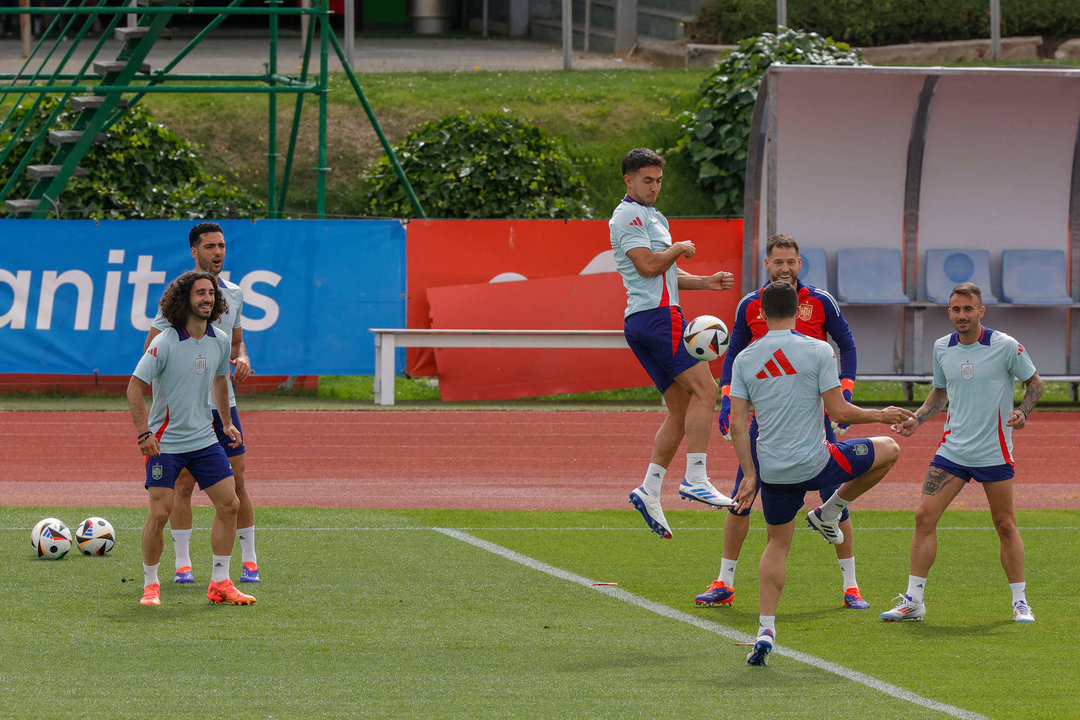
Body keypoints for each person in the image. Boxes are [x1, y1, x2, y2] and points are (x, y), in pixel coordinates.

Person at [728, 281, 913, 665]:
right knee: (890, 450)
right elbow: (841, 413)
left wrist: (749, 475)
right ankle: (830, 510)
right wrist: (882, 414)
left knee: (776, 545)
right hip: (818, 463)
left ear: (760, 314)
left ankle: (765, 628)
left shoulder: (745, 359)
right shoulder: (818, 350)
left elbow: (737, 423)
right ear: (798, 311)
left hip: (773, 472)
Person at [696, 234, 868, 609]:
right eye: (778, 262)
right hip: (766, 423)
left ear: (800, 263)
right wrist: (728, 400)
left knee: (834, 497)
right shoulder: (749, 305)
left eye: (791, 262)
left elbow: (848, 345)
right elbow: (734, 353)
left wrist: (846, 390)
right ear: (767, 264)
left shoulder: (821, 301)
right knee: (742, 494)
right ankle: (723, 581)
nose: (785, 268)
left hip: (814, 419)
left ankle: (851, 586)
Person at [880, 282, 1043, 623]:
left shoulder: (1005, 346)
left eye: (968, 309)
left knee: (1004, 525)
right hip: (952, 451)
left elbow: (1035, 383)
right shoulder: (942, 348)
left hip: (994, 451)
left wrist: (1023, 412)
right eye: (956, 309)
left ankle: (1020, 602)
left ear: (981, 311)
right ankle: (914, 600)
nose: (962, 315)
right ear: (949, 312)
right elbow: (940, 394)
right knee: (924, 516)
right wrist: (917, 420)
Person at [610, 148, 737, 538]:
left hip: (649, 318)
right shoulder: (628, 214)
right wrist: (679, 247)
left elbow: (662, 271)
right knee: (707, 389)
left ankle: (650, 489)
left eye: (659, 180)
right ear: (628, 180)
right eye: (647, 180)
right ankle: (696, 477)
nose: (654, 187)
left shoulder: (652, 216)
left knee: (682, 408)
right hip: (658, 318)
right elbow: (648, 266)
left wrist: (704, 282)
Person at [128, 271, 257, 607]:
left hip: (204, 440)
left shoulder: (220, 340)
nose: (207, 299)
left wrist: (226, 422)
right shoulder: (166, 341)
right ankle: (151, 584)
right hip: (165, 443)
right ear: (185, 299)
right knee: (160, 513)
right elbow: (133, 387)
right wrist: (144, 433)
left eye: (211, 294)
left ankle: (220, 582)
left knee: (230, 504)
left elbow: (219, 381)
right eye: (200, 293)